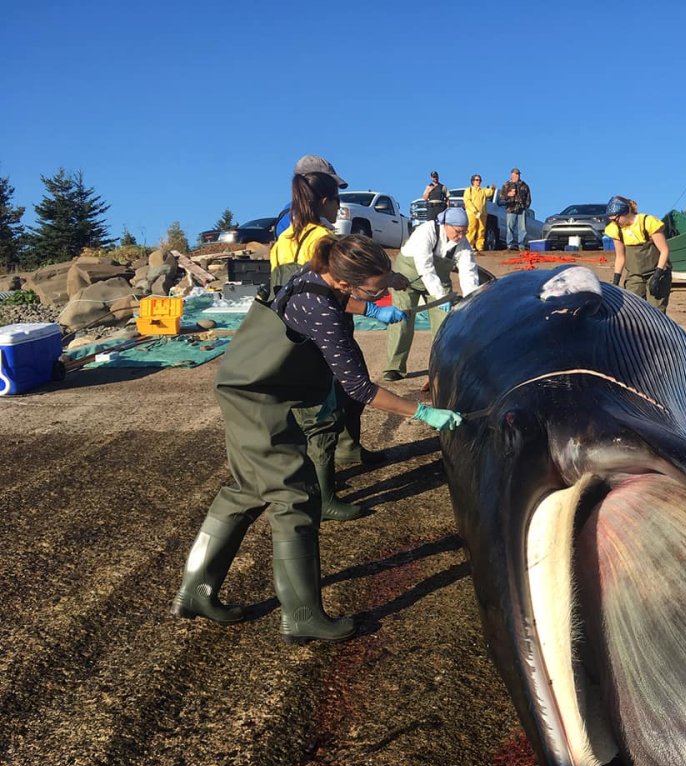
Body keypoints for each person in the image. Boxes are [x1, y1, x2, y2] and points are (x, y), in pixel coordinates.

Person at [172, 235, 463, 644]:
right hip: (258, 399)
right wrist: (421, 411)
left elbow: (344, 296)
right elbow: (359, 388)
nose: (378, 294)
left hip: (244, 386)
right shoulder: (322, 310)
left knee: (247, 491)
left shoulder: (317, 273)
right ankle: (302, 616)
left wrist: (384, 294)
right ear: (346, 282)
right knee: (296, 497)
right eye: (371, 290)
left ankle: (196, 591)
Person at [270, 161, 400, 522]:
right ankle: (323, 493)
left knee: (336, 398)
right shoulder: (321, 240)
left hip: (296, 331)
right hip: (321, 333)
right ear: (324, 200)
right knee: (326, 410)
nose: (340, 206)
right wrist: (374, 306)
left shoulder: (284, 236)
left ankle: (348, 449)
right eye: (337, 198)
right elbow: (329, 290)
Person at [381, 207, 481, 383]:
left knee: (445, 324)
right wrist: (440, 296)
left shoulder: (462, 244)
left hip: (439, 282)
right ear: (445, 225)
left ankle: (442, 369)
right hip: (407, 279)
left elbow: (468, 272)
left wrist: (471, 300)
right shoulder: (426, 231)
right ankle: (394, 367)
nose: (460, 236)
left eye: (464, 232)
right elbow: (425, 266)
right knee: (402, 320)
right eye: (457, 231)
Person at [604, 195, 672, 312]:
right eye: (611, 220)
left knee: (656, 311)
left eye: (616, 219)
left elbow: (664, 250)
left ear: (625, 212)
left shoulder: (648, 222)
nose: (614, 222)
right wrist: (615, 281)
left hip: (656, 272)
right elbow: (620, 257)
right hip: (635, 275)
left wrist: (658, 275)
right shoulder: (616, 230)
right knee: (634, 309)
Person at [498, 167, 532, 250]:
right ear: (512, 174)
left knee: (522, 228)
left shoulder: (524, 185)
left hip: (521, 209)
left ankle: (521, 245)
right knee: (510, 227)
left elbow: (528, 197)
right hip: (511, 208)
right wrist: (508, 195)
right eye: (515, 174)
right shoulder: (507, 185)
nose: (517, 175)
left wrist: (526, 206)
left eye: (518, 174)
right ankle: (510, 245)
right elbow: (501, 197)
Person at [463, 174, 495, 252]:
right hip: (472, 214)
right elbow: (467, 201)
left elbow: (489, 193)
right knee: (471, 229)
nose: (478, 181)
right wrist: (474, 211)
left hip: (482, 214)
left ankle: (480, 247)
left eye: (480, 180)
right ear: (473, 181)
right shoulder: (468, 190)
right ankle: (470, 246)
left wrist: (492, 188)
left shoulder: (482, 190)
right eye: (477, 180)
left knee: (481, 230)